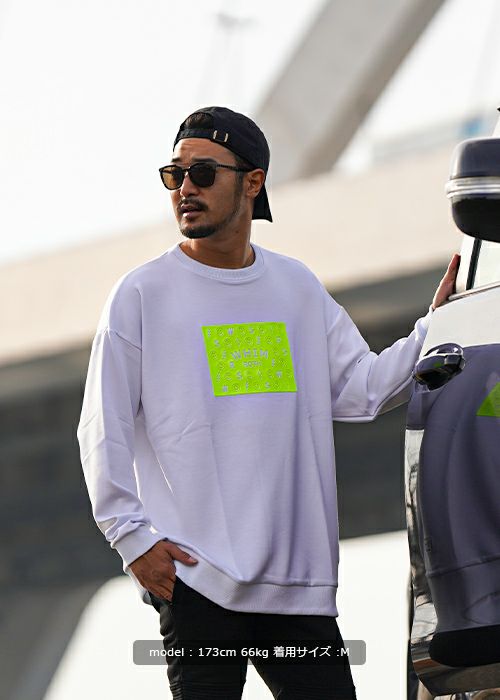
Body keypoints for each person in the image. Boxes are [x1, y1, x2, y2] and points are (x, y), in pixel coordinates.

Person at [76, 106, 459, 700]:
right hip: (198, 580)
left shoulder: (294, 286)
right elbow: (103, 424)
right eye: (175, 175)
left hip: (297, 588)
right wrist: (132, 540)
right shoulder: (142, 293)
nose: (185, 189)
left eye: (203, 173)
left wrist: (435, 327)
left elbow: (362, 390)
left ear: (252, 182)